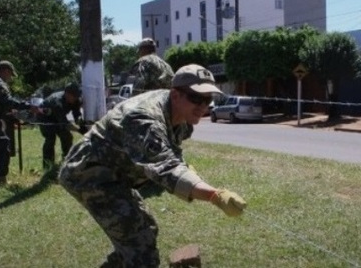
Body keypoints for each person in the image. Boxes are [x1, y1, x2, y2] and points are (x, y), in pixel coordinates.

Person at [58, 64, 246, 267]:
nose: (203, 106)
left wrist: (189, 173)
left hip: (114, 174)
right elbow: (166, 168)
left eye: (208, 99)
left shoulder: (180, 117)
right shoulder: (143, 118)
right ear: (175, 95)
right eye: (196, 98)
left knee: (145, 231)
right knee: (140, 247)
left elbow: (170, 156)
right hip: (89, 175)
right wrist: (214, 195)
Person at [37, 83, 86, 169]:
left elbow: (77, 116)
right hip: (46, 117)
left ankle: (67, 160)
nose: (76, 98)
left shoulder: (76, 100)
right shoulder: (57, 102)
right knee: (50, 139)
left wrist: (83, 127)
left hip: (60, 117)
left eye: (77, 96)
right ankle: (48, 166)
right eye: (74, 96)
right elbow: (66, 124)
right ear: (67, 94)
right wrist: (80, 130)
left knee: (67, 137)